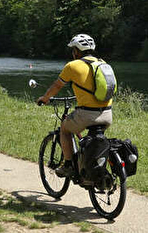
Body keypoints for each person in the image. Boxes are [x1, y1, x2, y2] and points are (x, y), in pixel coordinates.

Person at [37, 33, 115, 178]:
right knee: (93, 141)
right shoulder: (103, 63)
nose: (73, 53)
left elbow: (57, 85)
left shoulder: (72, 66)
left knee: (65, 129)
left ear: (77, 51)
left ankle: (68, 165)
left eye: (73, 50)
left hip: (87, 115)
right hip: (107, 114)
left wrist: (45, 98)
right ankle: (90, 165)